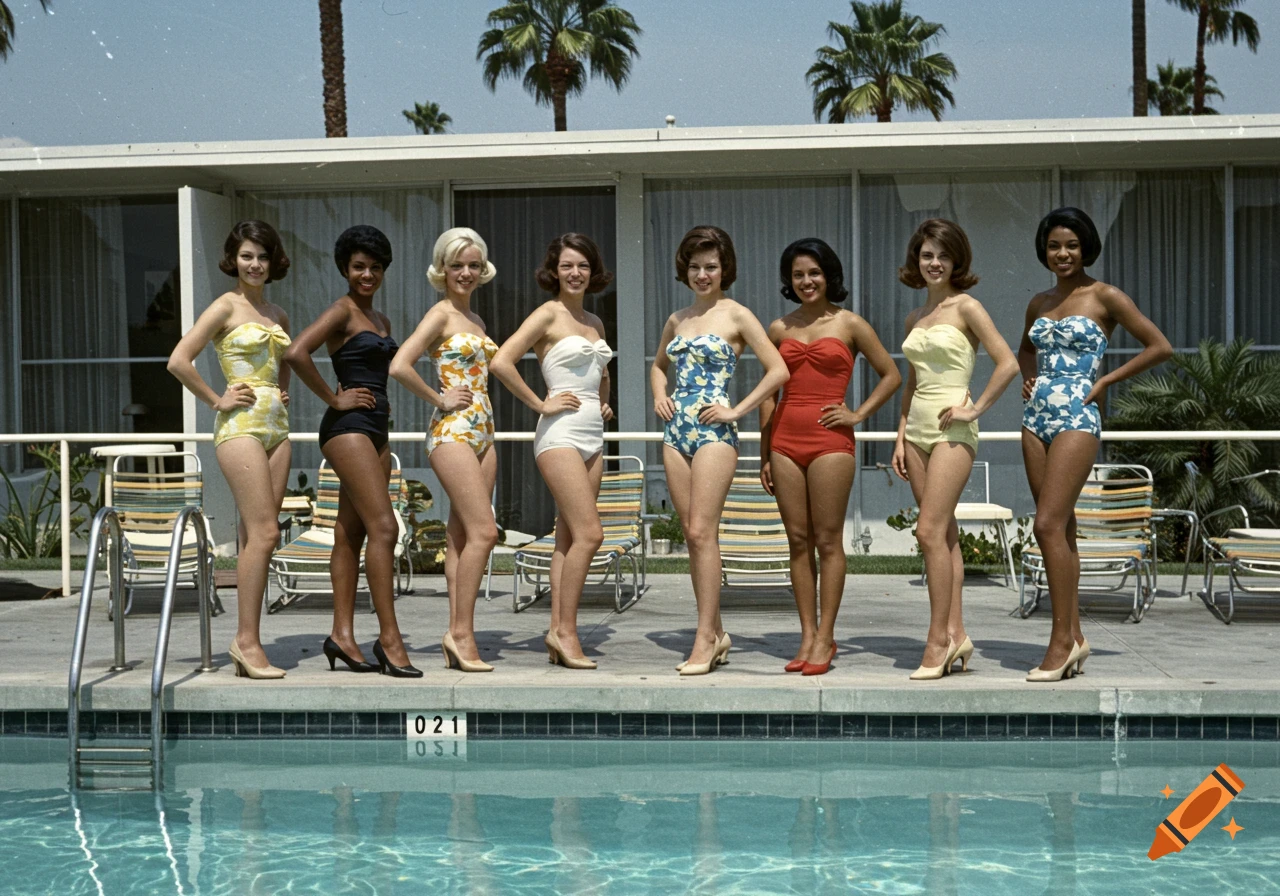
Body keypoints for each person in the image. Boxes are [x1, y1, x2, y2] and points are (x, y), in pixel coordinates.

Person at [1019, 207, 1172, 681]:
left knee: (1046, 524)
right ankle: (1077, 637)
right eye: (1053, 246)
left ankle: (1060, 640)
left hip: (1077, 414)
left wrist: (1105, 382)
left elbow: (1159, 346)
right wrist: (1029, 378)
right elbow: (1025, 349)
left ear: (1085, 247)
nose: (1062, 254)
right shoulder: (1039, 301)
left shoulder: (1104, 296)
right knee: (1060, 530)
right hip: (1035, 416)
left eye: (1071, 245)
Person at [651, 225, 790, 676]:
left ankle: (705, 637)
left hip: (714, 433)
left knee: (700, 531)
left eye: (710, 266)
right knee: (691, 537)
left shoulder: (737, 315)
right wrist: (659, 394)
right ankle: (716, 629)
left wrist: (737, 411)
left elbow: (778, 370)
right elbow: (657, 367)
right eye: (694, 266)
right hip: (676, 432)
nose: (702, 274)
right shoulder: (678, 319)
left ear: (724, 269)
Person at [284, 225, 421, 678]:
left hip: (376, 429)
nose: (367, 274)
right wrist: (333, 397)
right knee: (386, 528)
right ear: (345, 268)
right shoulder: (341, 310)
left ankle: (342, 636)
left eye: (375, 267)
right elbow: (296, 352)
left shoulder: (380, 320)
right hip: (347, 427)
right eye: (359, 266)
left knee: (351, 532)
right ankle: (389, 638)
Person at [760, 237, 900, 676]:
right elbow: (768, 395)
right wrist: (764, 452)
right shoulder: (777, 328)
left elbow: (892, 374)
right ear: (789, 279)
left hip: (830, 440)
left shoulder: (850, 323)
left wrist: (858, 414)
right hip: (784, 439)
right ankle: (807, 634)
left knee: (827, 540)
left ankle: (826, 637)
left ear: (829, 275)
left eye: (814, 273)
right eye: (798, 274)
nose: (806, 281)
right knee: (796, 542)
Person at [890, 219, 1018, 680]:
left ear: (956, 260)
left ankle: (937, 640)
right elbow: (911, 383)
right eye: (926, 255)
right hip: (919, 432)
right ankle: (958, 633)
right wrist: (900, 435)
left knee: (927, 532)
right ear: (916, 260)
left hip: (952, 432)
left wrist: (976, 407)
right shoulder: (915, 318)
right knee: (943, 537)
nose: (934, 263)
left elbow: (1007, 363)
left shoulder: (968, 307)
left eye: (943, 255)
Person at [166, 220, 292, 679]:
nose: (254, 264)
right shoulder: (225, 306)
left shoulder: (277, 314)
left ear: (272, 260)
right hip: (239, 427)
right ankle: (246, 642)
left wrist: (280, 391)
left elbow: (284, 363)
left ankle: (248, 639)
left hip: (278, 429)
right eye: (246, 256)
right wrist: (217, 398)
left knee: (255, 538)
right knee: (266, 533)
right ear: (232, 260)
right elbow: (179, 360)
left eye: (261, 256)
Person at [490, 233, 615, 670]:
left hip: (593, 437)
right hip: (558, 434)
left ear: (592, 269)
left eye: (582, 265)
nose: (575, 273)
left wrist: (604, 398)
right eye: (566, 266)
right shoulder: (547, 314)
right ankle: (566, 631)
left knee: (568, 537)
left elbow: (600, 375)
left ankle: (556, 631)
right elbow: (501, 362)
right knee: (590, 534)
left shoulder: (595, 324)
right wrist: (541, 402)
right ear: (554, 271)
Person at [389, 227, 500, 672]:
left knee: (461, 538)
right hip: (452, 431)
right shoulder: (440, 314)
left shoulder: (477, 321)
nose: (466, 273)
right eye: (457, 265)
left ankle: (457, 634)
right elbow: (399, 364)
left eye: (473, 265)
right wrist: (438, 399)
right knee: (485, 532)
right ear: (443, 268)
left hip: (485, 431)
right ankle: (460, 633)